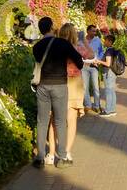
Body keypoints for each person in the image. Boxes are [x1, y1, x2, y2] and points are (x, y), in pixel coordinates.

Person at [31, 17, 82, 168]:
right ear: (52, 27)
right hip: (59, 85)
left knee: (42, 121)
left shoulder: (37, 46)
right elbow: (79, 62)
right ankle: (62, 158)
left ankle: (40, 157)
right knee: (60, 121)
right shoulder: (63, 43)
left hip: (42, 86)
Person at [83, 25, 105, 112]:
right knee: (85, 88)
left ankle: (96, 105)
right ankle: (88, 105)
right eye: (92, 31)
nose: (94, 33)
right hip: (84, 67)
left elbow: (101, 52)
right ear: (87, 31)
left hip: (94, 67)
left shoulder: (97, 40)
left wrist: (98, 60)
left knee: (96, 87)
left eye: (95, 31)